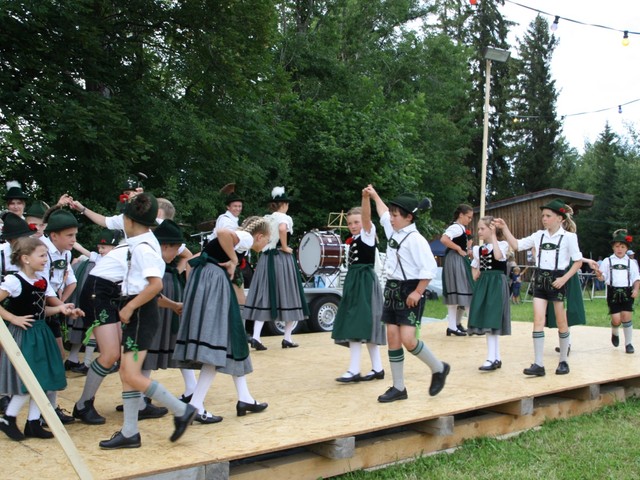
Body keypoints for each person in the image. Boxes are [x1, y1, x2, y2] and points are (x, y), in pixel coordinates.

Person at [98, 193, 196, 450]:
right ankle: (130, 432)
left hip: (140, 313)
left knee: (131, 373)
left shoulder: (143, 248)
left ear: (129, 221)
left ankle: (181, 410)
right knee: (127, 373)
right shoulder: (143, 241)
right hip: (139, 311)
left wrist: (130, 307)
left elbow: (155, 285)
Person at [174, 216, 270, 422]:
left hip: (208, 282)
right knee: (219, 343)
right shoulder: (245, 238)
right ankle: (196, 406)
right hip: (214, 283)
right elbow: (222, 233)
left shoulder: (239, 244)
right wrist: (234, 261)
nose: (265, 246)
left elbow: (197, 258)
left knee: (230, 340)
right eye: (266, 241)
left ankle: (244, 397)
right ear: (259, 236)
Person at [366, 186, 450, 403]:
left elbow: (429, 268)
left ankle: (439, 368)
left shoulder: (416, 240)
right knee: (392, 338)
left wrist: (418, 292)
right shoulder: (394, 229)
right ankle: (398, 387)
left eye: (395, 215)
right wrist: (374, 195)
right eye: (392, 215)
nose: (391, 218)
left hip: (410, 290)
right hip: (392, 289)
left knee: (408, 340)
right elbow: (383, 212)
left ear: (408, 217)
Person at [0, 237, 80, 441]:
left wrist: (61, 308)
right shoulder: (14, 281)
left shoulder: (41, 280)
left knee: (44, 378)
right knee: (30, 380)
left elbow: (42, 310)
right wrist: (12, 318)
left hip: (40, 332)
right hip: (24, 335)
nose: (46, 259)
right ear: (26, 258)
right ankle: (8, 418)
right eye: (42, 255)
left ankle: (33, 423)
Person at [495, 199, 583, 377]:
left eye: (548, 216)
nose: (544, 219)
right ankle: (538, 364)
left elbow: (578, 262)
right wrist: (505, 229)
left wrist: (564, 279)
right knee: (538, 321)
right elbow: (517, 245)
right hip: (540, 281)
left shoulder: (569, 237)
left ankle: (563, 361)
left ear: (559, 218)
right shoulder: (539, 236)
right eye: (543, 215)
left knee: (561, 322)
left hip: (557, 279)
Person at [244, 187, 309, 350]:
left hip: (266, 258)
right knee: (289, 295)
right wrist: (285, 246)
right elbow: (282, 228)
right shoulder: (284, 217)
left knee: (264, 296)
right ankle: (287, 338)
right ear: (285, 204)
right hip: (281, 259)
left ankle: (257, 337)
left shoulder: (267, 218)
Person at [332, 189, 386, 383]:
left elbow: (367, 217)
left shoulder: (367, 235)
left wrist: (365, 198)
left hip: (364, 282)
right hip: (355, 282)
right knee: (362, 323)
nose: (353, 226)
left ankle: (354, 370)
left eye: (356, 222)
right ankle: (377, 368)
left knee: (358, 322)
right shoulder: (354, 239)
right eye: (350, 223)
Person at [142, 219, 198, 405]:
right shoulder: (151, 256)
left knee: (159, 340)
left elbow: (186, 255)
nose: (177, 253)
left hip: (167, 289)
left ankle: (140, 397)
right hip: (160, 294)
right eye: (176, 249)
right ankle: (139, 396)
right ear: (165, 246)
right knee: (150, 341)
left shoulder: (156, 254)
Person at [467, 216, 511, 371]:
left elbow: (499, 257)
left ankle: (491, 358)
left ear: (492, 230)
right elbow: (474, 268)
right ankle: (495, 357)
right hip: (484, 284)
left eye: (482, 228)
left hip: (497, 284)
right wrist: (476, 271)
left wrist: (493, 237)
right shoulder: (479, 249)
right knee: (487, 318)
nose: (479, 231)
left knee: (492, 319)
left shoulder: (503, 245)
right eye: (478, 228)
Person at [595, 230, 639, 354]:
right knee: (616, 319)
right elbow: (602, 277)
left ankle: (628, 344)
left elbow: (636, 278)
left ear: (627, 249)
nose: (619, 249)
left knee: (626, 316)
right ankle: (615, 331)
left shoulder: (631, 263)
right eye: (617, 246)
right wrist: (599, 275)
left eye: (622, 246)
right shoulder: (607, 261)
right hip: (613, 292)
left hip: (627, 292)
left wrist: (635, 289)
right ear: (613, 247)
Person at [440, 204, 474, 336]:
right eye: (468, 217)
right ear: (461, 215)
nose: (470, 220)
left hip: (456, 260)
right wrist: (458, 248)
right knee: (464, 289)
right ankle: (470, 325)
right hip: (455, 260)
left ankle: (453, 326)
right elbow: (444, 239)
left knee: (458, 292)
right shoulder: (456, 227)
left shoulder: (460, 228)